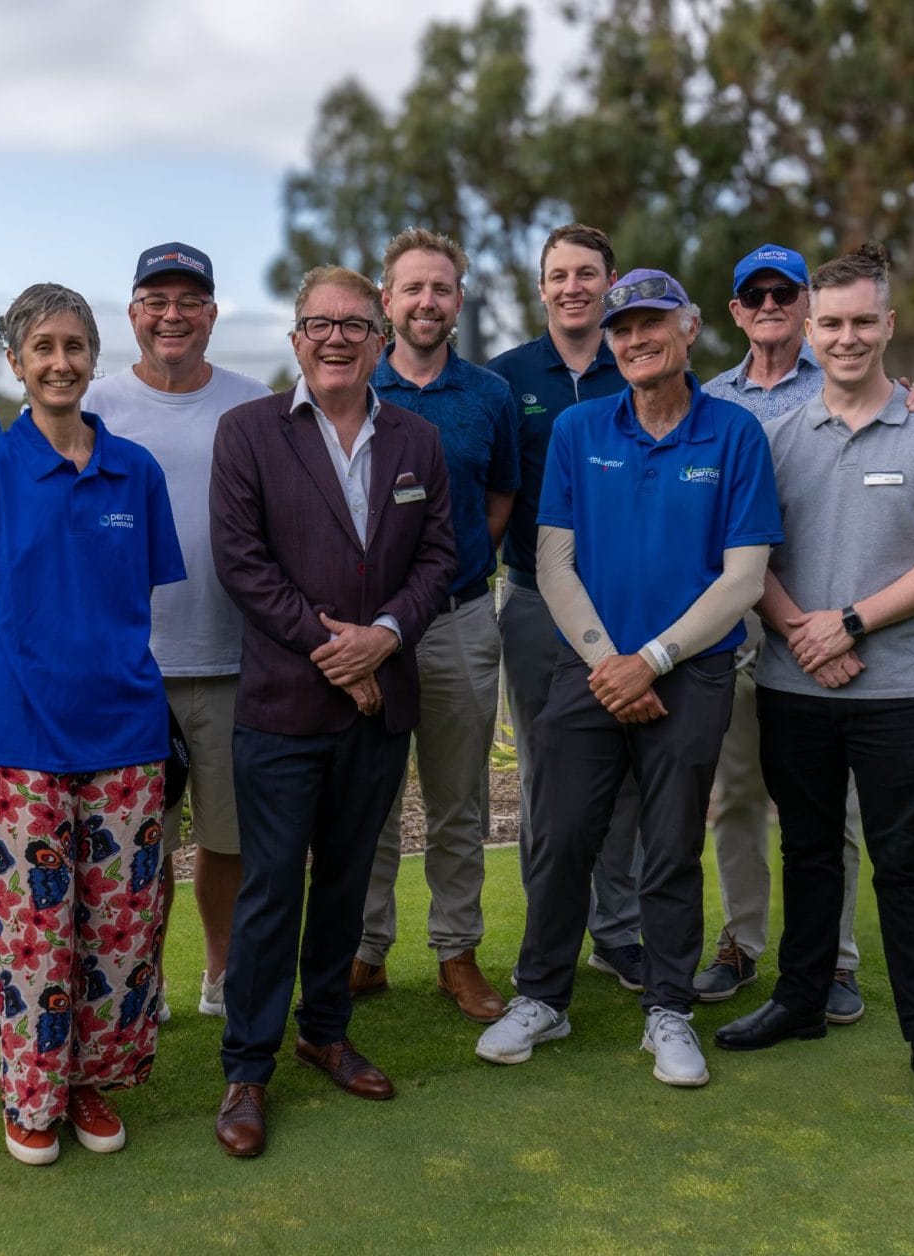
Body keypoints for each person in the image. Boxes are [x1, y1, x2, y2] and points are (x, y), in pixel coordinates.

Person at [476, 269, 781, 1090]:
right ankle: (543, 995)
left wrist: (652, 661)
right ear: (609, 344)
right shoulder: (579, 428)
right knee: (562, 835)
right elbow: (553, 560)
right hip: (591, 665)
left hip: (691, 673)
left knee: (671, 845)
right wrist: (609, 659)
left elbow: (744, 577)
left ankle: (669, 1010)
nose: (636, 340)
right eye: (622, 330)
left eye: (652, 324)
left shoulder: (734, 435)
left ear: (688, 331)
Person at [713, 243, 914, 1112]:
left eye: (863, 321)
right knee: (807, 852)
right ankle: (798, 1000)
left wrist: (853, 622)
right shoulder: (775, 437)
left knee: (905, 863)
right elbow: (752, 558)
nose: (846, 337)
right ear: (809, 327)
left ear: (889, 324)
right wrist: (804, 631)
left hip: (903, 694)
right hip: (799, 690)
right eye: (831, 323)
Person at [0, 283, 184, 1166]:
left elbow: (134, 595)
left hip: (126, 736)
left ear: (93, 355)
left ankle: (89, 1082)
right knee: (37, 931)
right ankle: (32, 1094)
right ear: (15, 363)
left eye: (75, 345)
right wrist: (7, 681)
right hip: (22, 743)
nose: (61, 362)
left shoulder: (135, 473)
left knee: (119, 927)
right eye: (42, 348)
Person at [210, 265, 455, 1157]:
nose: (339, 338)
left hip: (378, 707)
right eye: (322, 324)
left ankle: (325, 1031)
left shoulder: (418, 443)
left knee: (348, 884)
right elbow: (243, 565)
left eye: (356, 325)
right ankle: (247, 1068)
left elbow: (437, 559)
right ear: (297, 339)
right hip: (282, 709)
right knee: (272, 890)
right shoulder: (248, 434)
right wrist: (339, 656)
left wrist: (382, 640)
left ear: (379, 338)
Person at [84, 242, 270, 1021]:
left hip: (233, 659)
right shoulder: (91, 402)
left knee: (227, 840)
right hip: (130, 666)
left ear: (211, 315)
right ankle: (141, 976)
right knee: (136, 843)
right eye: (155, 301)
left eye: (188, 301)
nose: (172, 315)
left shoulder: (254, 401)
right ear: (132, 315)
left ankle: (220, 976)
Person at [351, 228, 518, 1023]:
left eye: (440, 289)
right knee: (372, 800)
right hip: (369, 635)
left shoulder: (487, 397)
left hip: (456, 621)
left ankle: (457, 951)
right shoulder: (352, 385)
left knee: (459, 802)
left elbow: (497, 502)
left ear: (458, 300)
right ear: (386, 302)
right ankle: (367, 951)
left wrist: (454, 569)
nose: (426, 302)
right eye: (411, 288)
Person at [486, 224, 648, 992]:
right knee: (547, 778)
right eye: (560, 275)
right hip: (530, 600)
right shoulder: (505, 378)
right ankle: (550, 931)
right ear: (541, 286)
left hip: (631, 608)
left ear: (610, 282)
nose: (574, 286)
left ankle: (618, 933)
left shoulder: (644, 364)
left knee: (624, 777)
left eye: (588, 273)